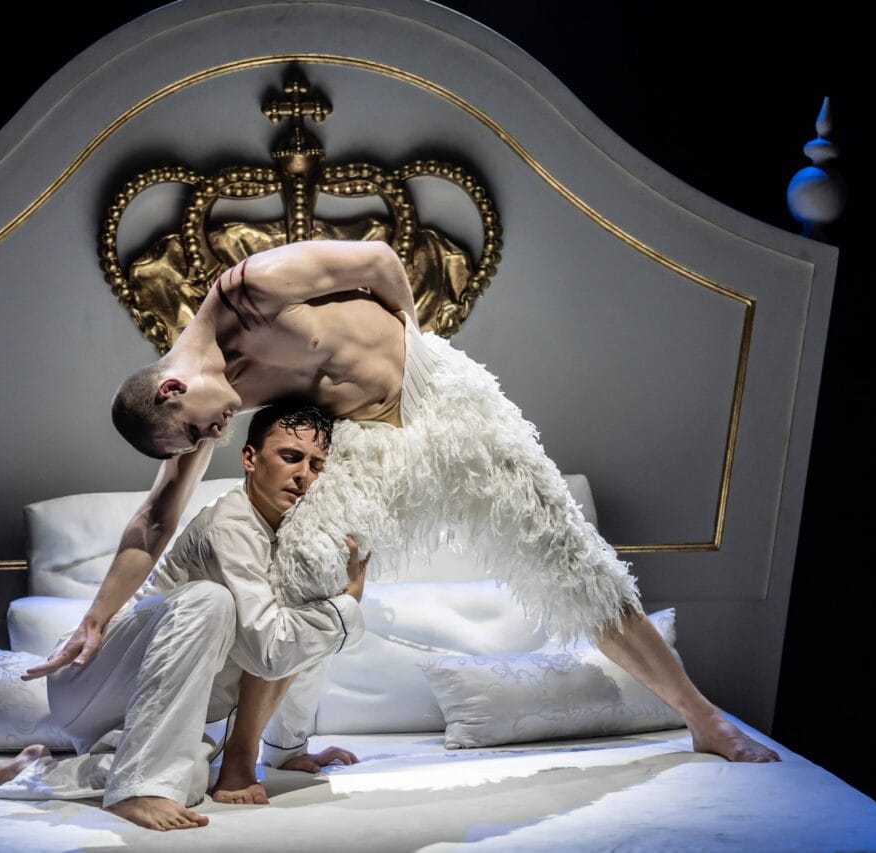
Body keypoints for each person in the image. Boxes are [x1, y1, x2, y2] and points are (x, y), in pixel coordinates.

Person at [92, 238, 779, 765]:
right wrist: (94, 620)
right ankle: (256, 757)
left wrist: (415, 346)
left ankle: (702, 718)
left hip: (443, 394)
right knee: (301, 569)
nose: (212, 438)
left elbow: (383, 260)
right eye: (200, 439)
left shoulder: (252, 288)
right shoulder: (203, 406)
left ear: (174, 388)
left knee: (577, 561)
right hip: (366, 439)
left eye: (199, 428)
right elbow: (155, 519)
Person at [0, 404, 368, 831]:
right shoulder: (229, 525)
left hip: (150, 707)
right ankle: (135, 788)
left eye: (317, 466)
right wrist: (348, 603)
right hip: (90, 682)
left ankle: (28, 770)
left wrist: (286, 750)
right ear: (249, 458)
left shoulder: (298, 539)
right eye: (291, 457)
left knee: (189, 780)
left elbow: (295, 641)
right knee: (212, 600)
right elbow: (270, 652)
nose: (304, 475)